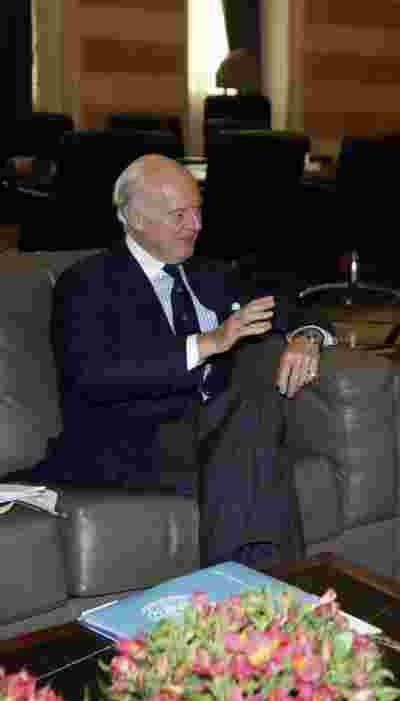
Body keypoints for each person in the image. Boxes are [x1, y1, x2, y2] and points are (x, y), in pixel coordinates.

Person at [21, 154, 335, 568]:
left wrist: (307, 338)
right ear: (134, 218)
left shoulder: (212, 273)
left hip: (214, 431)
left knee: (248, 437)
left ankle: (249, 608)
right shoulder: (87, 283)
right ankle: (277, 604)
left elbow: (291, 306)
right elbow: (93, 376)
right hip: (132, 439)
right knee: (253, 433)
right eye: (179, 215)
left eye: (198, 210)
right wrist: (208, 343)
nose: (197, 225)